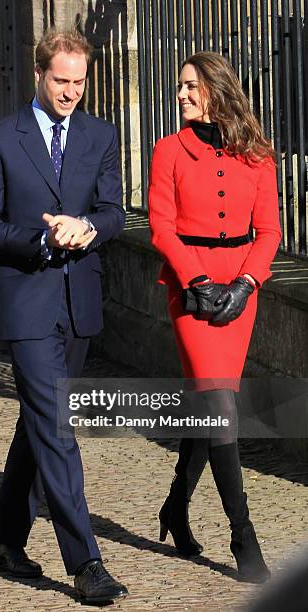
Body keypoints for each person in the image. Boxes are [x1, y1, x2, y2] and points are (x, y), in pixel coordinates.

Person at [0, 28, 128, 603]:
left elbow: (115, 212)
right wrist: (41, 241)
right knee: (57, 425)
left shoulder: (100, 135)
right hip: (27, 300)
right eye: (61, 80)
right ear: (39, 74)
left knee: (39, 422)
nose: (71, 92)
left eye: (80, 82)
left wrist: (88, 228)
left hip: (79, 301)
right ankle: (85, 563)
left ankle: (5, 538)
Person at [148, 51, 281, 583]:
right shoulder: (167, 150)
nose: (180, 94)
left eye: (190, 86)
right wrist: (198, 281)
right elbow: (159, 226)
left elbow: (269, 231)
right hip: (190, 286)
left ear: (218, 90)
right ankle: (244, 540)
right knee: (219, 401)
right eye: (179, 85)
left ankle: (175, 508)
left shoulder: (259, 156)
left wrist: (247, 283)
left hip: (241, 285)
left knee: (210, 404)